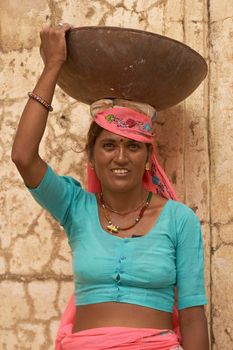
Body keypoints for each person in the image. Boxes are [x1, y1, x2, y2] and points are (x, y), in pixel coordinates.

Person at [11, 23, 209, 350]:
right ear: (91, 155)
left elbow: (192, 316)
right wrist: (53, 66)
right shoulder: (76, 208)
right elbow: (23, 156)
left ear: (148, 157)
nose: (121, 156)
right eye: (109, 145)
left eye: (133, 146)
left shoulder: (179, 220)